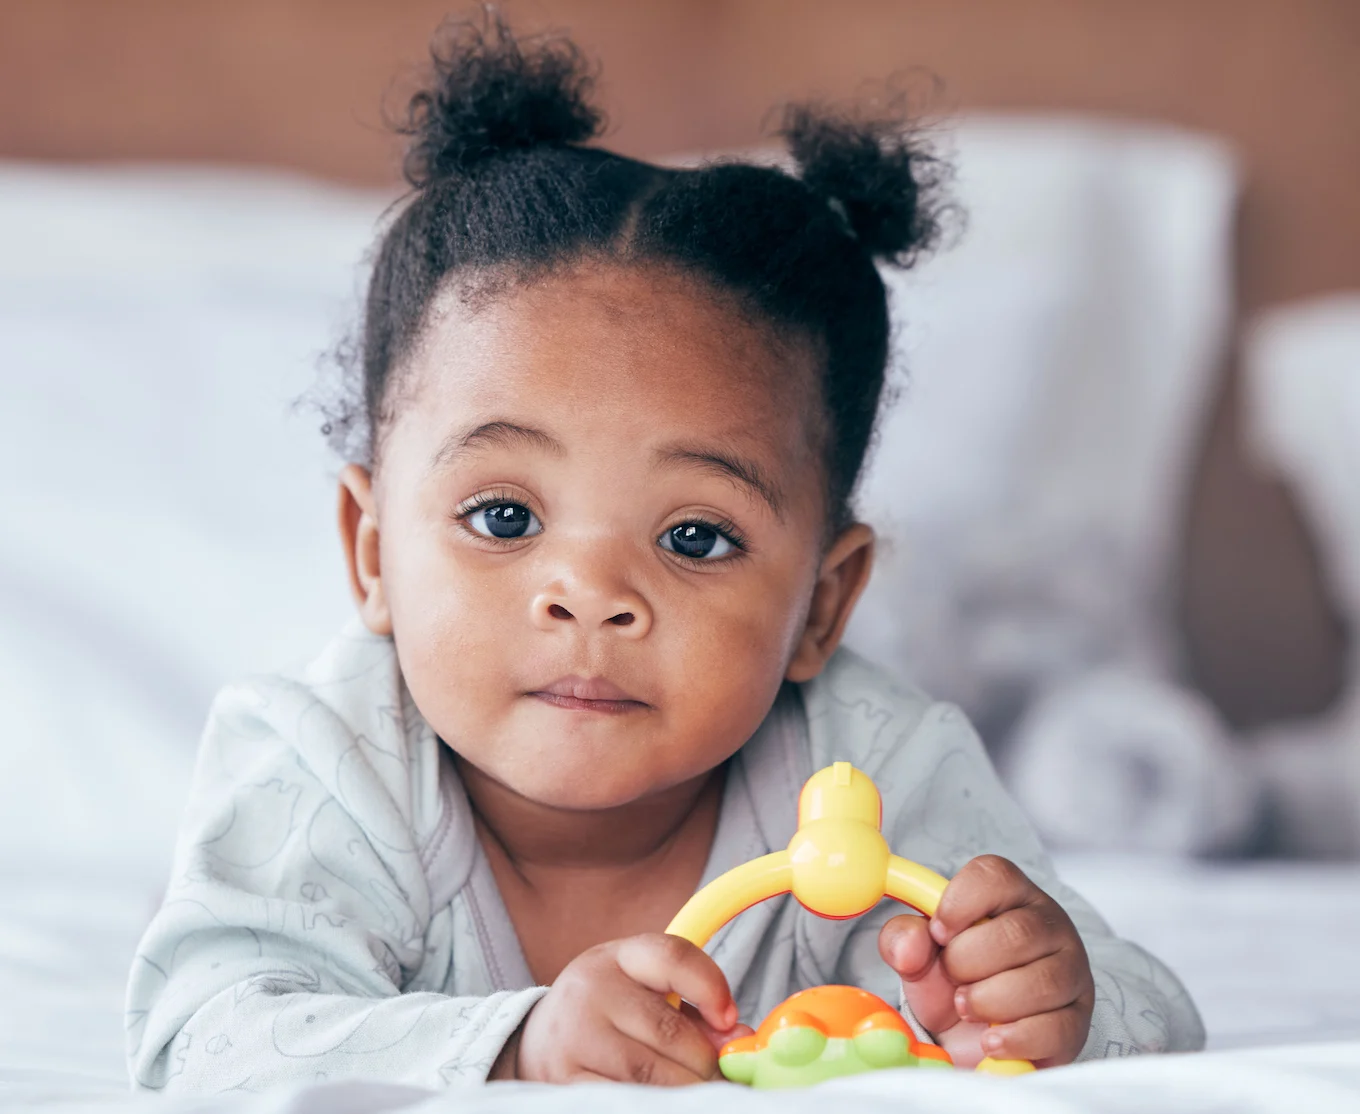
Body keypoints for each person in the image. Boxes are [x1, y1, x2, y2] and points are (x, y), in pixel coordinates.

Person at [126, 14, 1203, 1093]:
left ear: (822, 606)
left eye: (696, 536)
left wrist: (1052, 996)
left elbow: (1147, 1004)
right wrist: (520, 1042)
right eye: (504, 517)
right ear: (371, 551)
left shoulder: (873, 762)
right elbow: (203, 1039)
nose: (590, 594)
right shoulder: (328, 760)